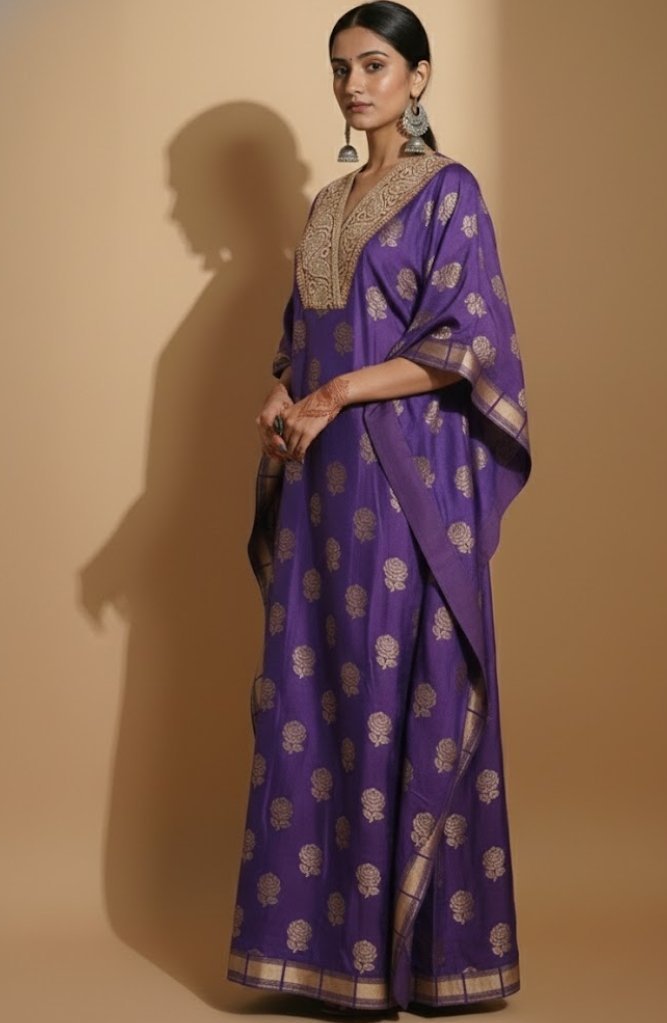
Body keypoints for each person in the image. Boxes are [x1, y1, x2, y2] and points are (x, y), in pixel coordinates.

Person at [227, 1, 531, 1013]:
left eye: (374, 65)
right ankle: (327, 958)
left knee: (402, 688)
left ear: (419, 77)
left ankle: (415, 959)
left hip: (404, 485)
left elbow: (468, 341)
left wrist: (337, 392)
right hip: (321, 490)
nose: (354, 85)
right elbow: (303, 338)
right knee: (317, 695)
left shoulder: (450, 192)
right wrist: (284, 393)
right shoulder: (326, 205)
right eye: (340, 68)